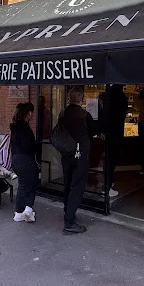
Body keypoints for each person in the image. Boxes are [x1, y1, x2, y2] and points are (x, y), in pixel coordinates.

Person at [60, 86, 98, 234]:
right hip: (79, 154)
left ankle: (68, 212)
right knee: (77, 186)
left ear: (69, 98)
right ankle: (69, 222)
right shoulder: (84, 115)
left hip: (66, 154)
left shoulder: (63, 113)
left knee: (68, 184)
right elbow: (94, 130)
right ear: (81, 99)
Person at [10, 102, 38, 223]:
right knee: (30, 185)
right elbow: (27, 146)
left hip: (16, 159)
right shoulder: (24, 127)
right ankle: (24, 210)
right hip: (26, 159)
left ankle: (22, 211)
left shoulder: (15, 126)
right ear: (29, 113)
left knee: (23, 185)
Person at [107, 84, 129, 197]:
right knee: (112, 159)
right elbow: (124, 112)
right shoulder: (121, 97)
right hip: (117, 130)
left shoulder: (106, 95)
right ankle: (107, 185)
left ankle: (107, 184)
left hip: (106, 131)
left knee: (107, 158)